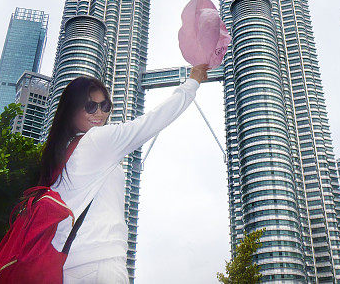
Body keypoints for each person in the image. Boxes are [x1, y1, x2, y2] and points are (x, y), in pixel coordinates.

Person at [35, 64, 210, 283]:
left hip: (68, 266)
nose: (99, 113)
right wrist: (192, 82)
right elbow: (149, 123)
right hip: (99, 263)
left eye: (105, 105)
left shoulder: (63, 154)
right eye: (90, 106)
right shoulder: (96, 141)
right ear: (71, 110)